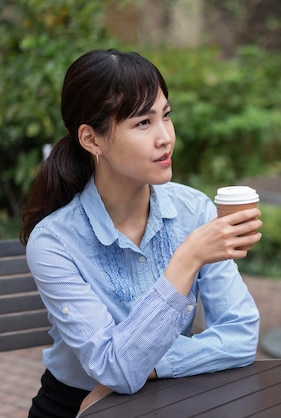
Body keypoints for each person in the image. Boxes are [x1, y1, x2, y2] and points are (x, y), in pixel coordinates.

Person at [20, 49, 262, 418]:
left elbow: (241, 337)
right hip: (75, 407)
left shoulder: (194, 210)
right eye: (143, 123)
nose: (165, 137)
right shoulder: (54, 242)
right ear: (91, 139)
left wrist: (144, 369)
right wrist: (187, 259)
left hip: (166, 396)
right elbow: (112, 366)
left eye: (166, 116)